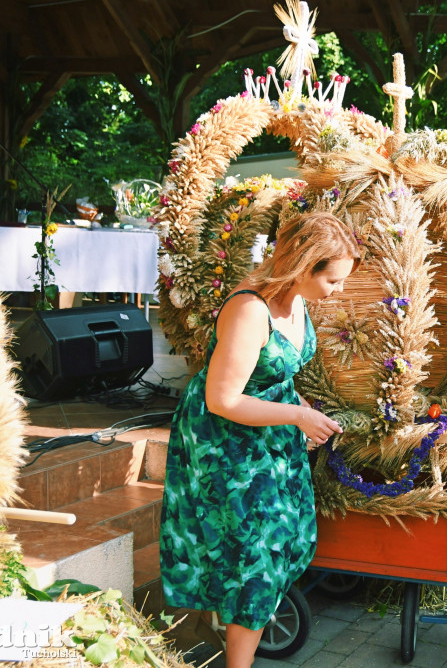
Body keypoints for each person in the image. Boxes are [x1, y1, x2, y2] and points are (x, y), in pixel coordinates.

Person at [159, 212, 360, 668]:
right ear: (303, 266)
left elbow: (273, 372)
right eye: (333, 280)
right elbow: (222, 398)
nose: (339, 290)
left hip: (269, 434)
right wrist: (296, 415)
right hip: (226, 442)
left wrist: (303, 411)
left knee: (282, 536)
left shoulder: (298, 299)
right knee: (256, 553)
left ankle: (229, 622)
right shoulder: (250, 309)